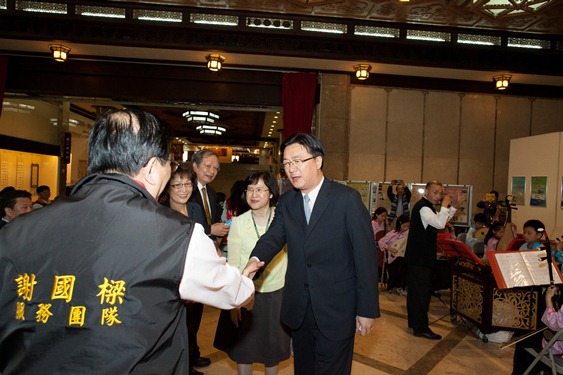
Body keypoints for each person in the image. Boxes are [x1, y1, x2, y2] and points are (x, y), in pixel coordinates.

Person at [0, 108, 259, 374]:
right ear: (150, 168)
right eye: (167, 163)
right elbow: (232, 292)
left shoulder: (14, 232)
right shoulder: (176, 235)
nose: (169, 171)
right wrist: (246, 282)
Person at [243, 133, 379, 375]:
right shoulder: (287, 202)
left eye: (297, 161)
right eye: (286, 164)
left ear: (317, 161)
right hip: (299, 309)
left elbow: (365, 257)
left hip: (337, 308)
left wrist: (366, 309)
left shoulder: (346, 199)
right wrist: (255, 260)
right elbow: (273, 237)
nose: (291, 169)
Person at [214, 171, 290, 375]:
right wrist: (235, 302)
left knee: (272, 350)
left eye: (259, 189)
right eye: (250, 189)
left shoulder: (284, 218)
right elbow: (234, 264)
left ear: (271, 193)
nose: (253, 194)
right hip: (248, 295)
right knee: (244, 349)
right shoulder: (238, 222)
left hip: (277, 295)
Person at [161, 162, 207, 375]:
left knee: (192, 325)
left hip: (196, 278)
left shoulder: (196, 209)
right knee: (173, 328)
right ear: (167, 188)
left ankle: (187, 364)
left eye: (187, 184)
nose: (183, 189)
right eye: (177, 185)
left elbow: (203, 240)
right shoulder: (161, 212)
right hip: (172, 280)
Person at [405, 180, 465, 340]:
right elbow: (440, 224)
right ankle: (420, 328)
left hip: (418, 258)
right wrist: (446, 205)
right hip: (420, 258)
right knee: (421, 294)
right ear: (426, 192)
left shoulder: (426, 207)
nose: (439, 196)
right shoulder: (423, 207)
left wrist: (453, 207)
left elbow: (439, 219)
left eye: (441, 193)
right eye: (435, 192)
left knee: (416, 293)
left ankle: (415, 323)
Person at [188, 148, 231, 369]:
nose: (212, 171)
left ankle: (192, 353)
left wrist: (217, 232)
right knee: (186, 314)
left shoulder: (211, 193)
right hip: (187, 260)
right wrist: (209, 229)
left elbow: (213, 222)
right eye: (207, 166)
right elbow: (182, 221)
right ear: (194, 166)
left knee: (196, 312)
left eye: (216, 168)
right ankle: (186, 358)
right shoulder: (185, 189)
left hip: (203, 259)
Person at [378, 215, 410, 296]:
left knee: (406, 263)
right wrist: (389, 248)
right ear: (399, 224)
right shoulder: (393, 233)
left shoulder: (409, 233)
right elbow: (380, 242)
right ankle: (399, 286)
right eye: (404, 226)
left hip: (405, 257)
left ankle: (403, 286)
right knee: (401, 263)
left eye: (408, 226)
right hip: (393, 258)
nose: (406, 228)